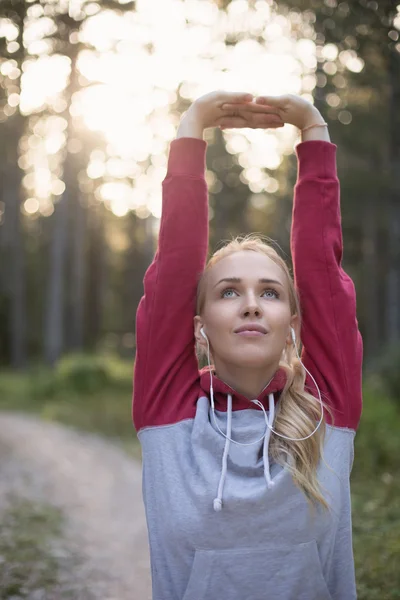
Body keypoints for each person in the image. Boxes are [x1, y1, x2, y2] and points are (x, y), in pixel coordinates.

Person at [133, 91, 363, 600]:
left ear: (293, 323)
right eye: (229, 291)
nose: (252, 304)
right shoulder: (169, 410)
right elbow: (173, 270)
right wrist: (191, 130)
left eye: (271, 293)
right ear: (200, 324)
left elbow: (324, 275)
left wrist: (314, 131)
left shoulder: (327, 412)